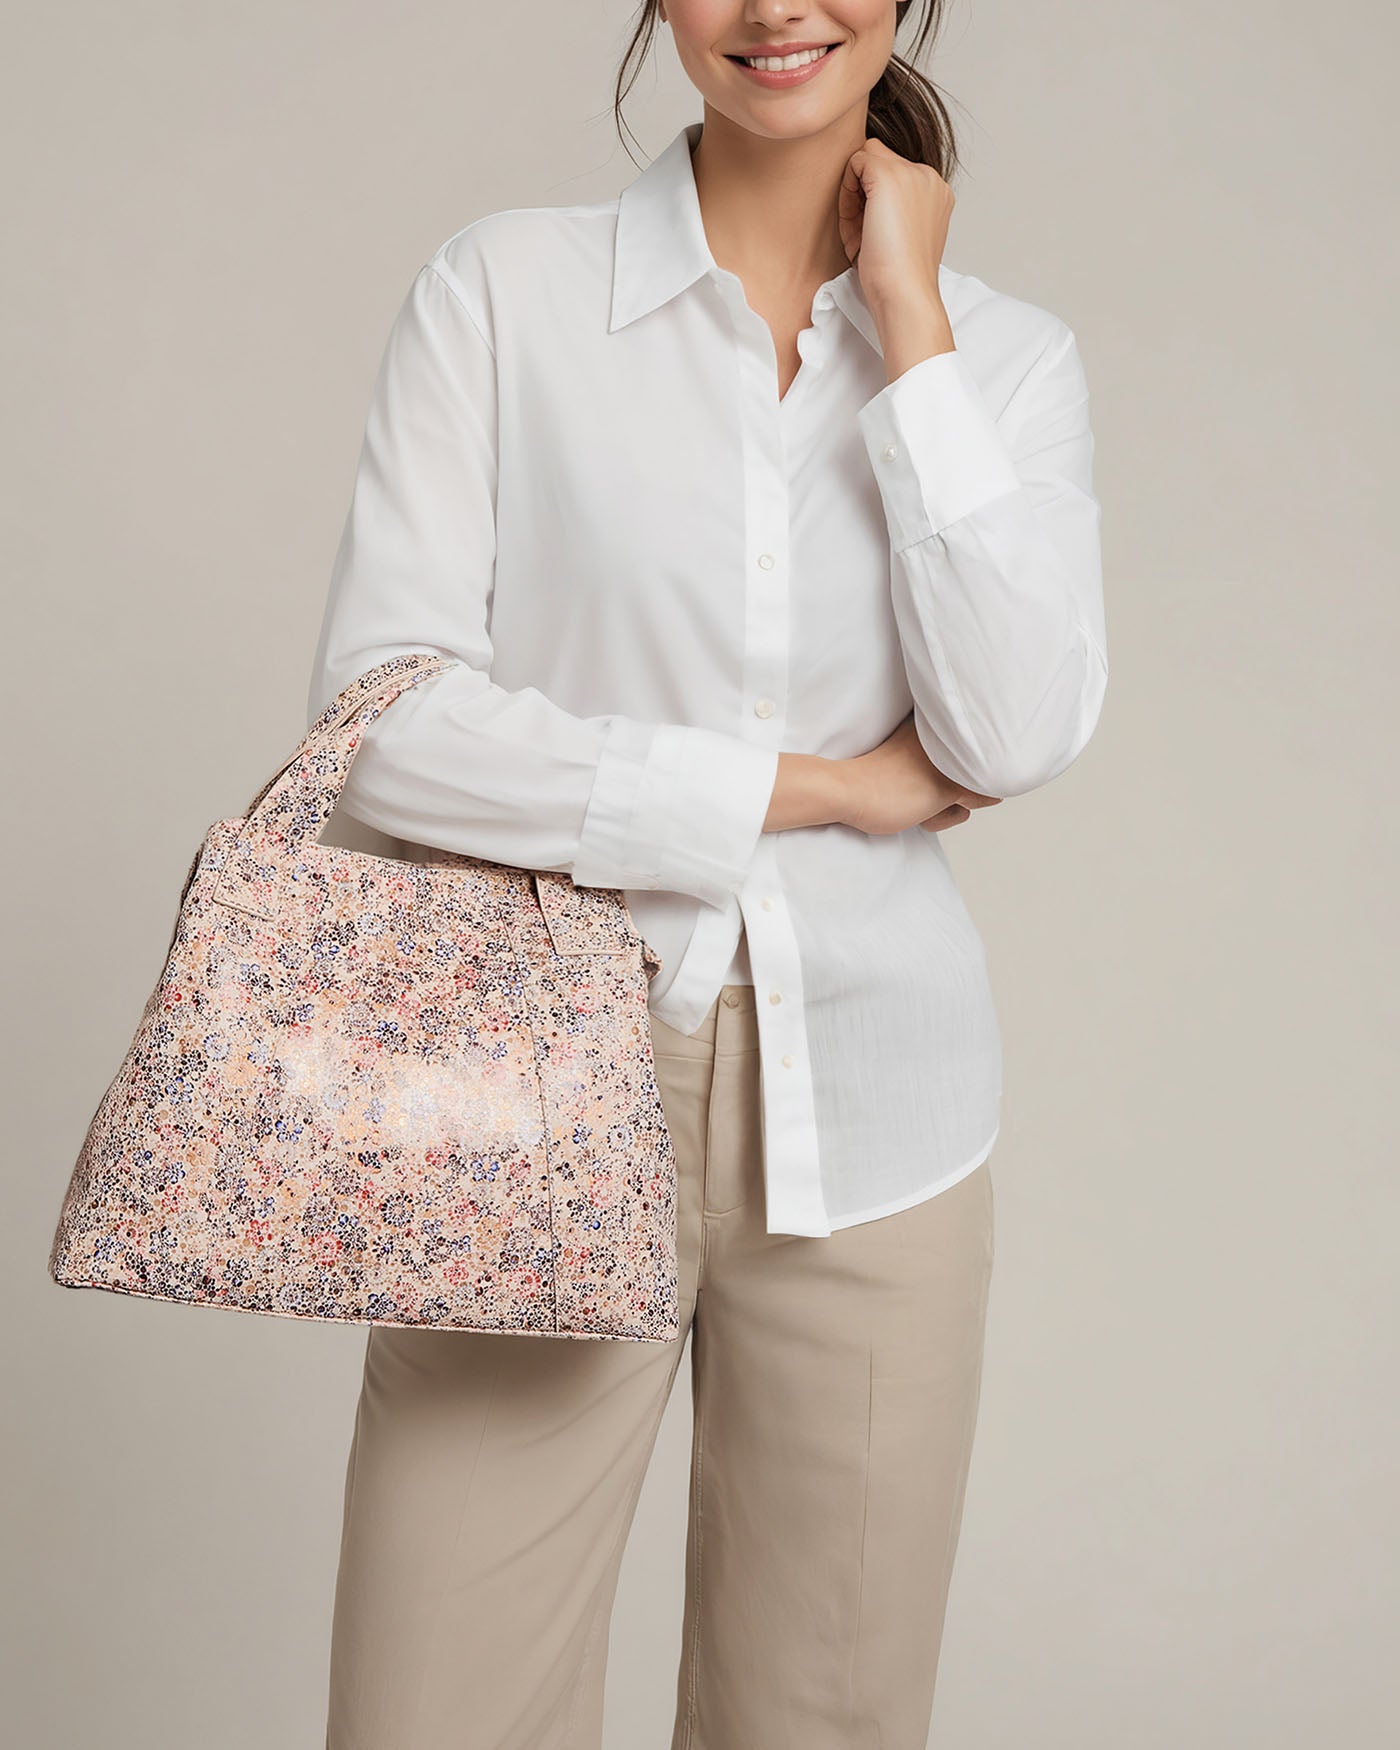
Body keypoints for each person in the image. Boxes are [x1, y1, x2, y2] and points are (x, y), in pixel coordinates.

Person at [308, 3, 1107, 1745]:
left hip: (882, 1109)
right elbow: (386, 718)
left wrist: (912, 325)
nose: (774, 9)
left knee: (819, 1714)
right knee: (436, 1707)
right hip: (529, 1084)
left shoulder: (1005, 363)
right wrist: (807, 789)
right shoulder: (505, 296)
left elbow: (1015, 726)